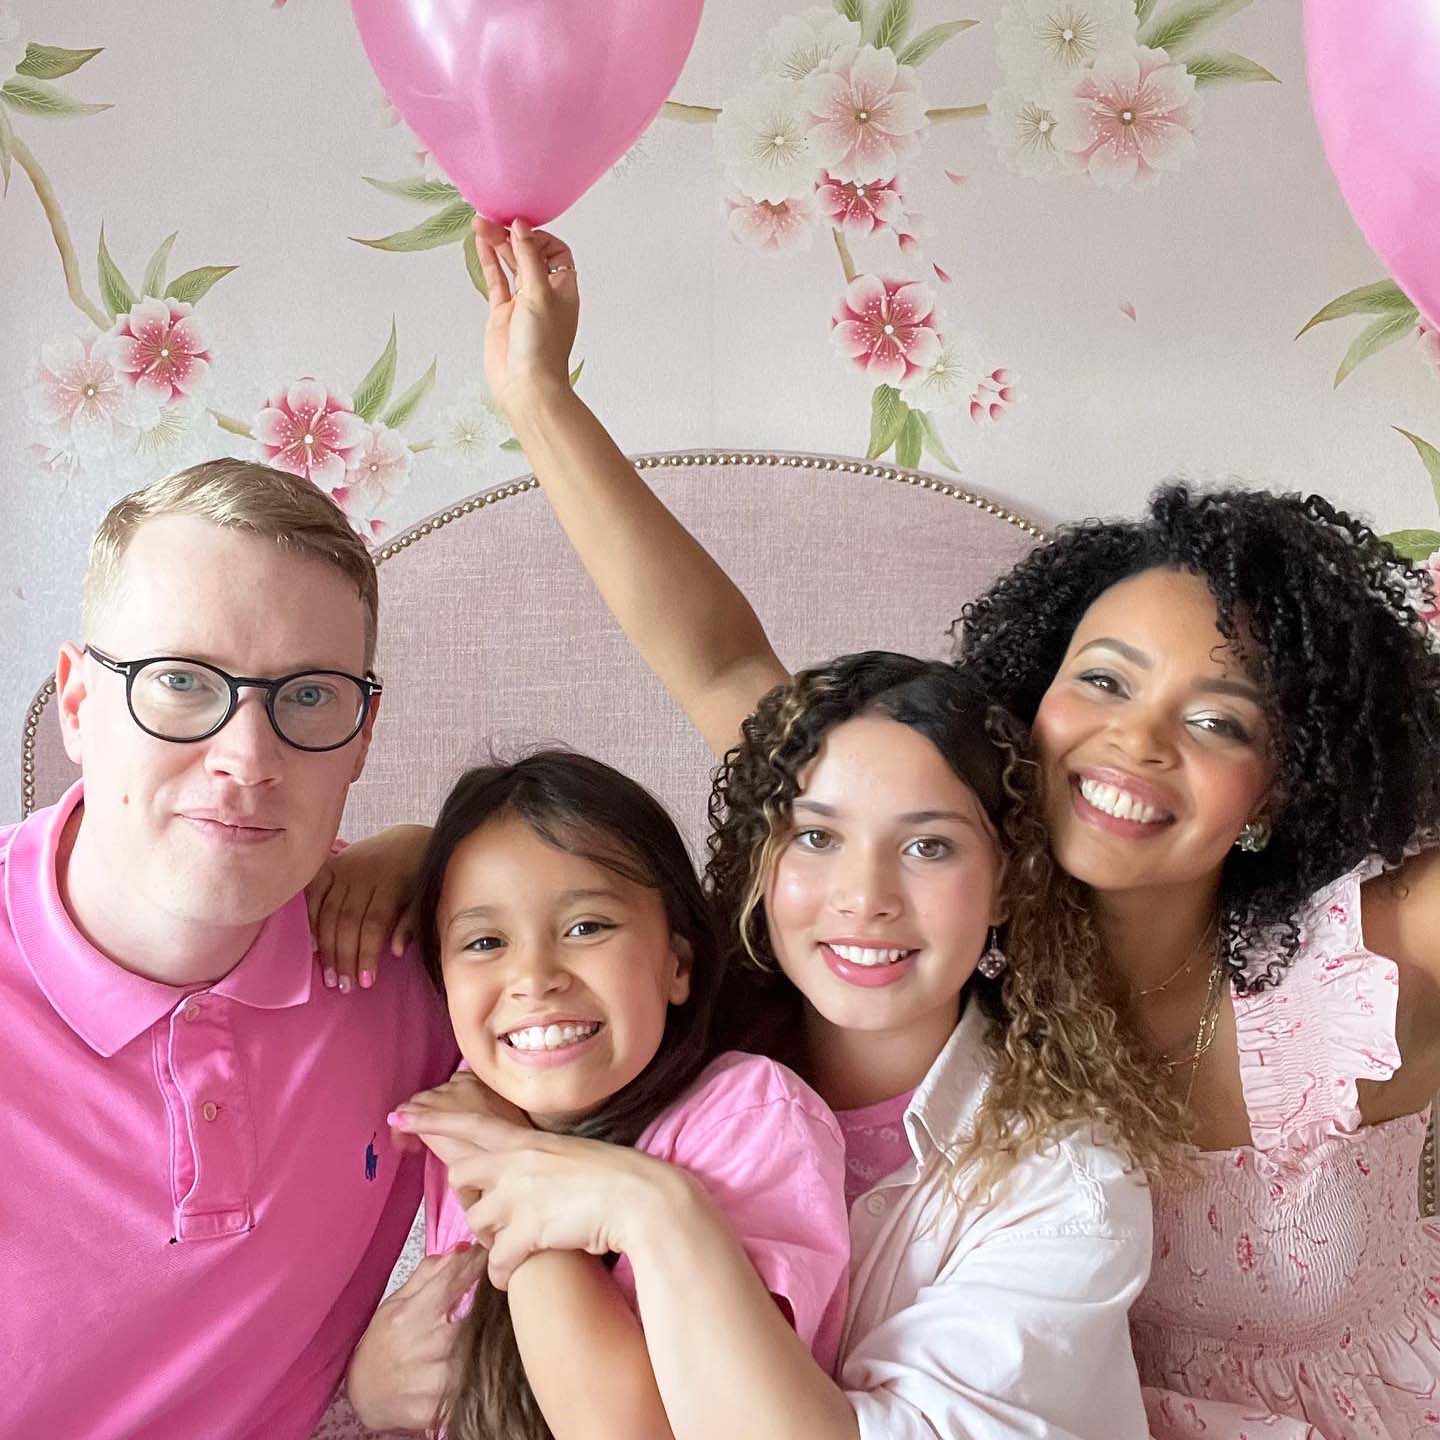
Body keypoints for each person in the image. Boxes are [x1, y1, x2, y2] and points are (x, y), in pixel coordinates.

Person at [415, 217, 1440, 1439]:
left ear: (1287, 779)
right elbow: (721, 660)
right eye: (1103, 682)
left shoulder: (1368, 968)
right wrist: (537, 395)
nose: (1137, 745)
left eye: (1220, 723)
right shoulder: (910, 878)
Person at [323, 678, 1162, 1428]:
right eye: (817, 838)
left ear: (1007, 881)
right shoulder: (573, 1062)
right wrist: (407, 855)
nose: (864, 898)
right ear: (762, 863)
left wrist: (594, 1195)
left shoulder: (1067, 1187)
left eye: (928, 845)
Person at [0, 459, 455, 1440]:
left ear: (364, 734)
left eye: (308, 699)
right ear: (78, 703)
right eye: (179, 682)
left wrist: (443, 854)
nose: (248, 759)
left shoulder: (412, 957)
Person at [344, 750, 850, 1439]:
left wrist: (510, 1170)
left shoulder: (749, 1116)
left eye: (586, 928)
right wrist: (370, 1384)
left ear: (677, 962)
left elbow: (632, 1429)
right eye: (486, 941)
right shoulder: (468, 1113)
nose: (534, 976)